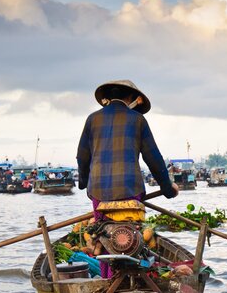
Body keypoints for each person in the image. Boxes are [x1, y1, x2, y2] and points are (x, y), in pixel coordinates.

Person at [76, 80, 178, 221]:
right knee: (134, 232)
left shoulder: (92, 119)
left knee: (100, 229)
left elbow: (82, 157)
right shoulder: (138, 119)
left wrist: (83, 182)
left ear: (108, 98)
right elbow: (153, 158)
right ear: (131, 97)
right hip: (131, 190)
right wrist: (168, 188)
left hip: (98, 192)